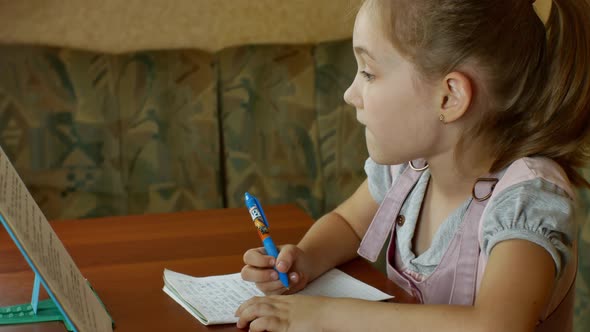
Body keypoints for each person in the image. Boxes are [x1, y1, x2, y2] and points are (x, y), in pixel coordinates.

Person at [235, 0, 590, 331]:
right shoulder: (411, 168)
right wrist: (304, 261)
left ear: (449, 97)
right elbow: (348, 224)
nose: (349, 93)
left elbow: (495, 325)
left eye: (368, 73)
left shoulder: (525, 199)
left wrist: (326, 315)